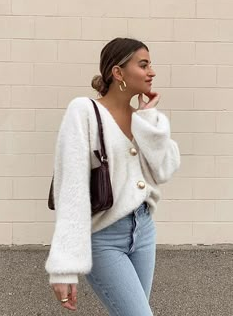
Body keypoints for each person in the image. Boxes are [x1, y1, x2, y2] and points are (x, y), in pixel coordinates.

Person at [45, 37, 180, 315]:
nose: (151, 72)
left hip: (143, 231)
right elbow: (71, 189)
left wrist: (150, 118)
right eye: (143, 65)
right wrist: (64, 267)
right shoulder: (83, 111)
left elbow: (164, 170)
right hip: (103, 239)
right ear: (118, 72)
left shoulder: (142, 118)